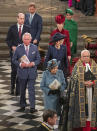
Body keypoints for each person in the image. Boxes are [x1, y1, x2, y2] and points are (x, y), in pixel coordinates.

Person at [66, 49, 97, 131]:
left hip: (92, 91)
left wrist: (93, 83)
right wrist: (82, 82)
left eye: (87, 56)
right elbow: (73, 80)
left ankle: (91, 124)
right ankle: (82, 125)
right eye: (84, 56)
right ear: (81, 57)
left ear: (90, 57)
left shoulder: (94, 65)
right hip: (81, 93)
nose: (86, 58)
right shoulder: (77, 66)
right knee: (83, 110)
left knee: (91, 108)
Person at [12, 33, 40, 112]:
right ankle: (22, 105)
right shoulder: (18, 48)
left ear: (30, 40)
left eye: (28, 39)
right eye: (25, 39)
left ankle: (32, 107)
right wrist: (20, 64)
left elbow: (38, 59)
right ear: (22, 39)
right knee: (22, 90)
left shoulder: (35, 48)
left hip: (32, 72)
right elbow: (14, 60)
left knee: (31, 90)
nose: (26, 41)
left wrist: (33, 63)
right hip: (22, 72)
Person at [6, 13, 30, 95]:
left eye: (23, 18)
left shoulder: (27, 28)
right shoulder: (12, 28)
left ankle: (19, 89)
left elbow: (30, 40)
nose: (22, 20)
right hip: (14, 53)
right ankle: (12, 87)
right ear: (17, 18)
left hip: (23, 54)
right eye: (20, 18)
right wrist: (12, 46)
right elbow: (8, 39)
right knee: (14, 70)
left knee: (22, 71)